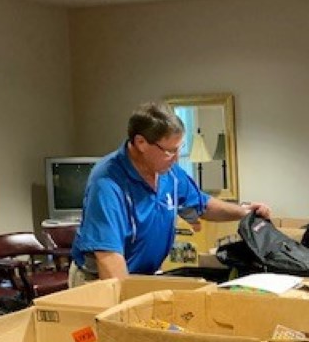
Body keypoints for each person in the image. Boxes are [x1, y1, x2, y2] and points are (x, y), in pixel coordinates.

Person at [69, 101, 270, 285]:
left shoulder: (168, 172)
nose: (175, 158)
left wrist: (243, 212)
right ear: (141, 143)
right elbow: (109, 257)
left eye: (178, 149)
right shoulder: (107, 183)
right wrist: (128, 306)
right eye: (169, 151)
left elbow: (202, 204)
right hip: (101, 280)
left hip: (142, 276)